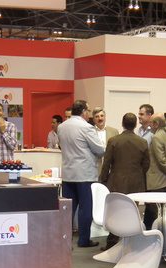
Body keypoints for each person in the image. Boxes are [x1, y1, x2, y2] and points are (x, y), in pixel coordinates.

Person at [59, 99, 106, 248]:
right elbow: (100, 149)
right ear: (84, 111)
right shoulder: (87, 127)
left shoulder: (61, 127)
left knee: (68, 209)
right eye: (88, 111)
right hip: (85, 174)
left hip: (68, 173)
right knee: (86, 208)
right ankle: (83, 240)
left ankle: (65, 241)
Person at [99, 112, 150, 250]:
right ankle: (132, 242)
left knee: (116, 211)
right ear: (135, 125)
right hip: (136, 182)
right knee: (133, 212)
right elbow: (146, 164)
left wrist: (103, 179)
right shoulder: (142, 142)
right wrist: (138, 174)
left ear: (122, 124)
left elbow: (107, 163)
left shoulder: (113, 141)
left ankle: (112, 242)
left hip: (116, 181)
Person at [92, 107, 119, 175]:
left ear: (105, 117)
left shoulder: (114, 131)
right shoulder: (90, 132)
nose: (100, 118)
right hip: (94, 169)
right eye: (97, 116)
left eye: (102, 116)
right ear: (93, 119)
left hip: (111, 170)